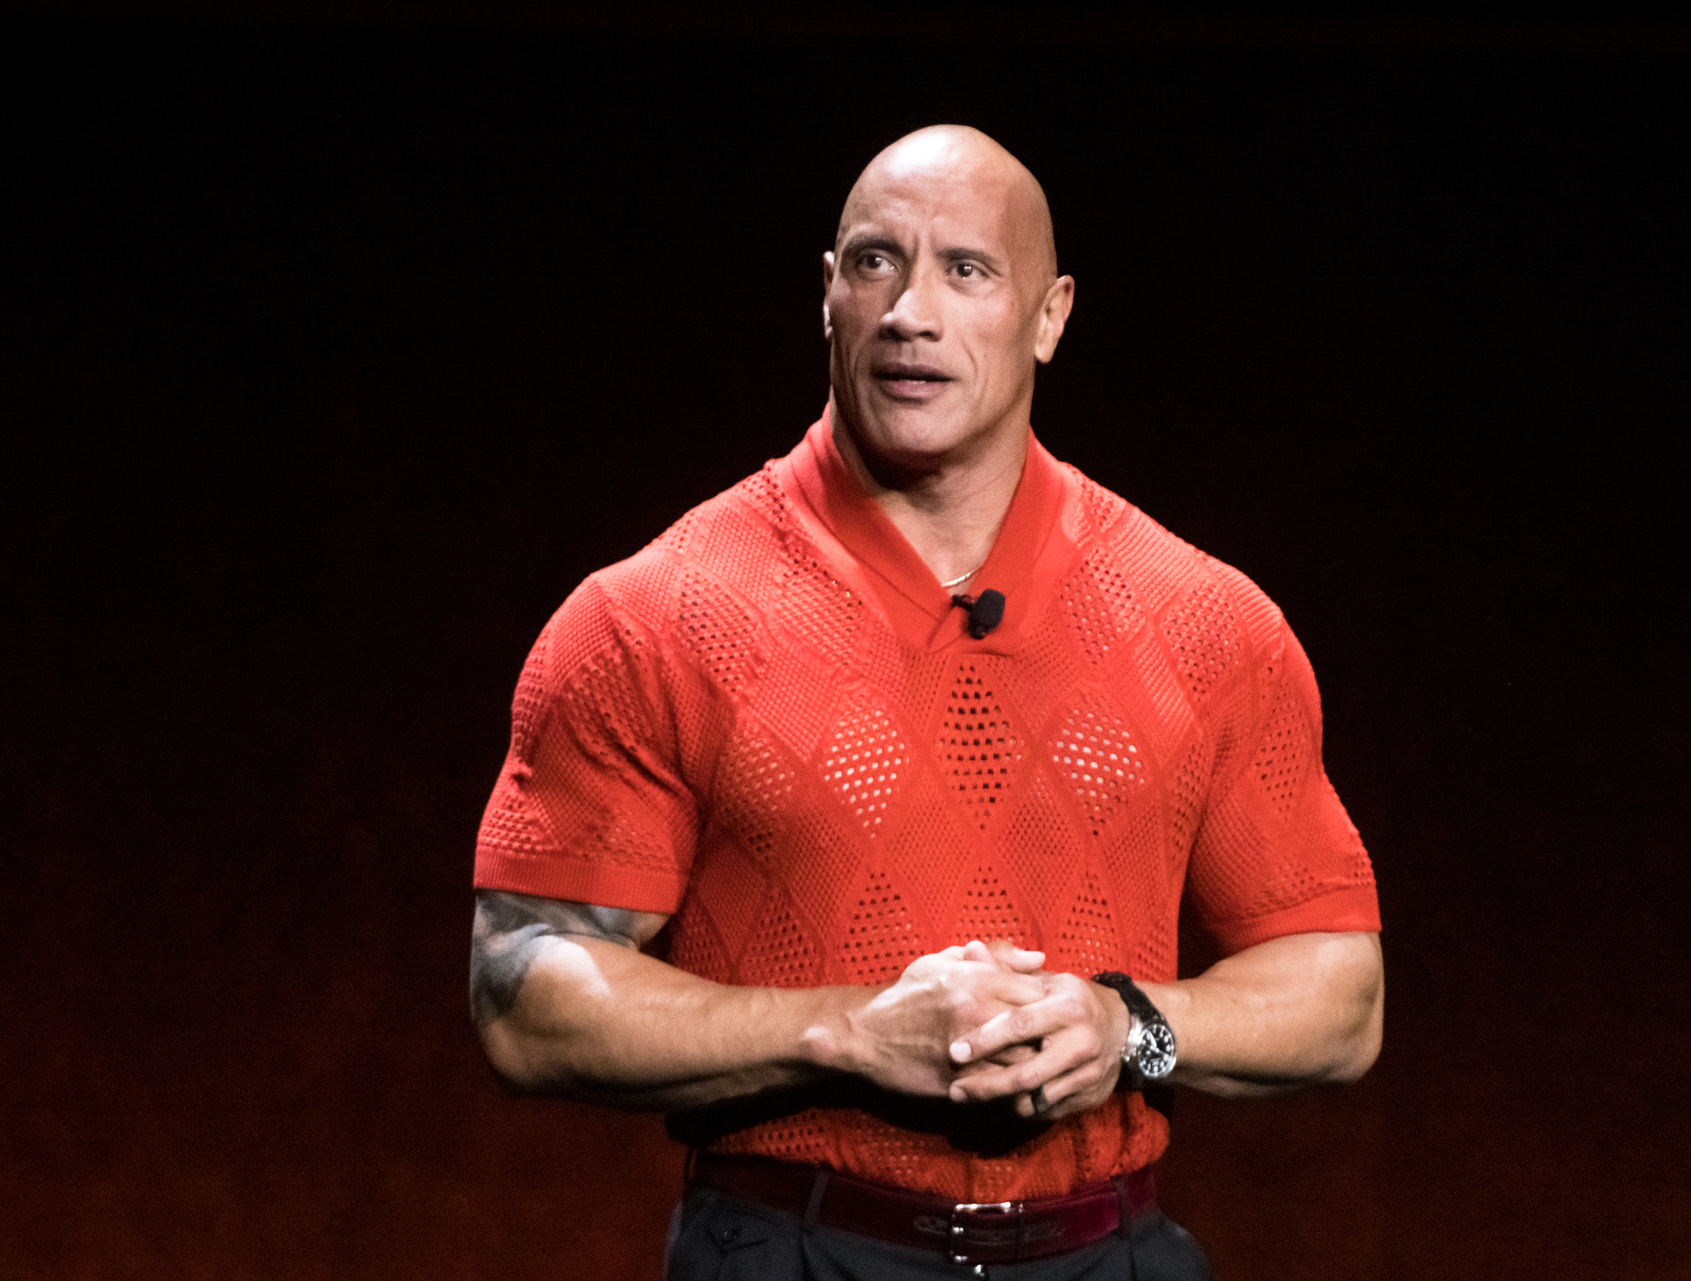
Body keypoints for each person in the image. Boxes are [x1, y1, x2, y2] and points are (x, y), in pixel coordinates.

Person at [470, 124, 1383, 1279]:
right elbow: (522, 999)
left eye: (967, 270)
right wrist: (844, 1032)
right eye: (874, 263)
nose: (910, 310)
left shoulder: (1206, 622)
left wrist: (1127, 1027)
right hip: (791, 1250)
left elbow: (1341, 996)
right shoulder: (650, 619)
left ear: (1049, 317)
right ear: (827, 297)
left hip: (1109, 1251)